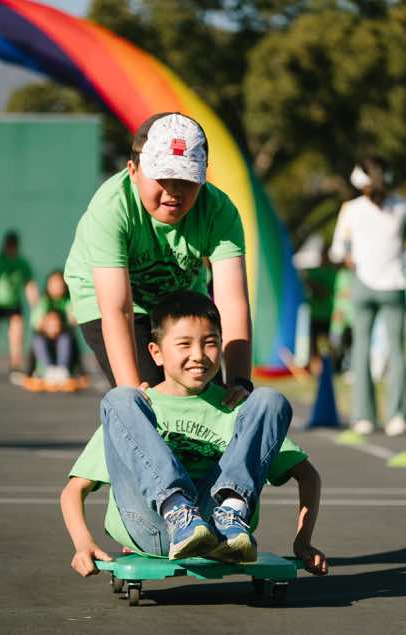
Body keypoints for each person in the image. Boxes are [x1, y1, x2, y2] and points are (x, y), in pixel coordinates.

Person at [61, 291, 327, 576]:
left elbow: (308, 476)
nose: (198, 355)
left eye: (210, 343)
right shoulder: (137, 411)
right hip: (152, 526)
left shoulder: (237, 408)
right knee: (120, 398)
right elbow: (74, 490)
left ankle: (232, 510)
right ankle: (177, 511)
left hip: (219, 531)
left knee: (269, 399)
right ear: (156, 353)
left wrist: (303, 542)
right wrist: (83, 543)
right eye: (184, 344)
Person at [64, 112, 251, 406]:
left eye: (186, 179)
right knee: (150, 398)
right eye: (162, 177)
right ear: (133, 171)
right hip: (108, 299)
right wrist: (131, 394)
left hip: (179, 293)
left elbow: (231, 303)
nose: (173, 190)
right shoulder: (112, 208)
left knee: (210, 398)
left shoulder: (218, 211)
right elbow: (118, 309)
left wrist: (240, 383)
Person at [330, 156, 406, 436]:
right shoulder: (401, 207)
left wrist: (350, 258)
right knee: (397, 351)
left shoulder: (350, 209)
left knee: (361, 348)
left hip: (362, 285)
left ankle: (363, 417)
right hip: (395, 285)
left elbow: (337, 251)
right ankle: (397, 416)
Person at [0, 230, 38, 382]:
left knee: (16, 334)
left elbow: (29, 284)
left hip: (14, 304)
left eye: (14, 246)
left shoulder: (22, 263)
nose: (11, 248)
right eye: (9, 245)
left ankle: (15, 366)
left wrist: (35, 304)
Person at [27, 270, 85, 381]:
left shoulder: (68, 300)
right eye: (54, 284)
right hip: (45, 339)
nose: (57, 287)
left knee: (66, 337)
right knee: (37, 338)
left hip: (63, 337)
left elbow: (73, 320)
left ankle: (63, 369)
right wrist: (49, 325)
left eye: (59, 284)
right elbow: (36, 324)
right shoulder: (43, 301)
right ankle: (48, 369)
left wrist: (59, 325)